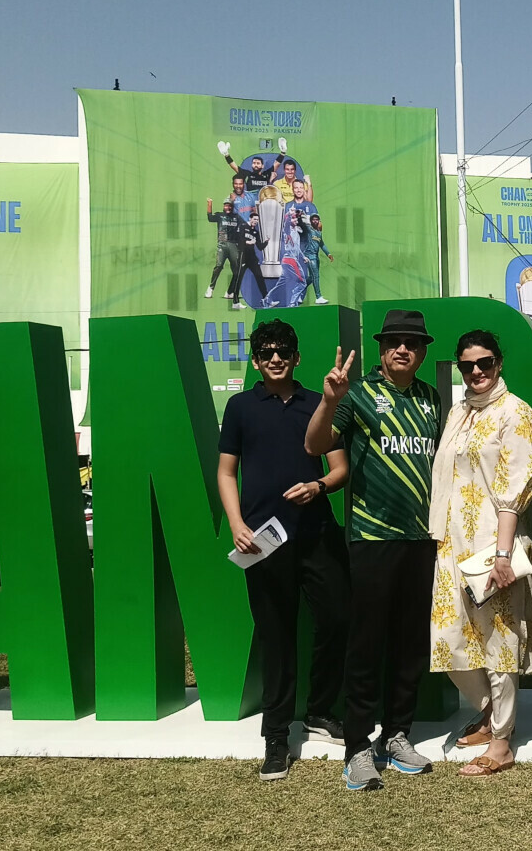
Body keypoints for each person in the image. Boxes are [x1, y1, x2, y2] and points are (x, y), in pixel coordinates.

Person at [305, 309, 442, 791]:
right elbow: (315, 443)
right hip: (372, 537)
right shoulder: (357, 393)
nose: (403, 348)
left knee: (409, 644)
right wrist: (328, 401)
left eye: (412, 342)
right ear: (382, 349)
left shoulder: (430, 398)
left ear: (423, 352)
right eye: (394, 341)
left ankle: (398, 734)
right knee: (366, 646)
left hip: (422, 539)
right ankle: (358, 747)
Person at [217, 319, 351, 781]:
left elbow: (339, 469)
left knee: (336, 619)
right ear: (256, 360)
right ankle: (276, 737)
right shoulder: (239, 407)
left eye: (283, 351)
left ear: (296, 358)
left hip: (316, 535)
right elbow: (225, 473)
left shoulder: (320, 404)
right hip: (263, 542)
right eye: (266, 351)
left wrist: (318, 486)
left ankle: (318, 711)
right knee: (276, 637)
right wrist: (236, 524)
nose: (275, 358)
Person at [427, 329, 532, 779]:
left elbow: (515, 487)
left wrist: (500, 553)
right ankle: (492, 712)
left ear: (500, 363)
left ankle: (501, 742)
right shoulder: (460, 412)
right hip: (451, 542)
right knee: (448, 637)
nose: (477, 372)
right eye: (467, 365)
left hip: (491, 545)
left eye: (486, 363)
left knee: (497, 641)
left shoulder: (515, 412)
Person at [204, 181, 251, 310]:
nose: (228, 208)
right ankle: (211, 288)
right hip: (222, 244)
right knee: (218, 266)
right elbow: (209, 218)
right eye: (226, 206)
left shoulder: (237, 217)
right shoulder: (220, 215)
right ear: (224, 206)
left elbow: (246, 225)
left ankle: (230, 292)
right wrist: (209, 204)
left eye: (230, 206)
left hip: (234, 246)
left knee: (237, 271)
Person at [301, 212, 333, 306]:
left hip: (315, 256)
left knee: (311, 278)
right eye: (313, 219)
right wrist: (301, 216)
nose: (315, 221)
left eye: (316, 219)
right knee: (316, 276)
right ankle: (318, 297)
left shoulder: (318, 233)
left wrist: (328, 254)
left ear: (319, 221)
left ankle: (298, 290)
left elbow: (322, 244)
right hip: (309, 256)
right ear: (311, 221)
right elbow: (303, 224)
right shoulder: (309, 230)